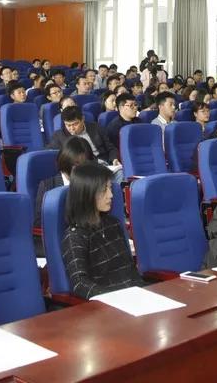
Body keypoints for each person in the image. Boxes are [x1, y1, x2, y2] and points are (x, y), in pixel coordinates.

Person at [61, 162, 142, 299]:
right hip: (107, 304)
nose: (110, 195)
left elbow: (130, 271)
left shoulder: (113, 224)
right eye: (104, 190)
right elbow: (80, 283)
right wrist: (115, 299)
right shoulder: (75, 236)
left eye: (110, 188)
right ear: (87, 193)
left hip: (134, 297)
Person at [35, 137, 94, 227]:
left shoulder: (92, 183)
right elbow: (39, 222)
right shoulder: (48, 186)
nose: (82, 170)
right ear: (65, 162)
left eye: (85, 165)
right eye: (76, 165)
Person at [49, 105, 118, 164]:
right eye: (68, 125)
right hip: (82, 169)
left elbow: (110, 147)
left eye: (75, 124)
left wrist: (114, 159)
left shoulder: (95, 127)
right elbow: (59, 160)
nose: (72, 128)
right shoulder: (58, 136)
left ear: (82, 119)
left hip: (105, 163)